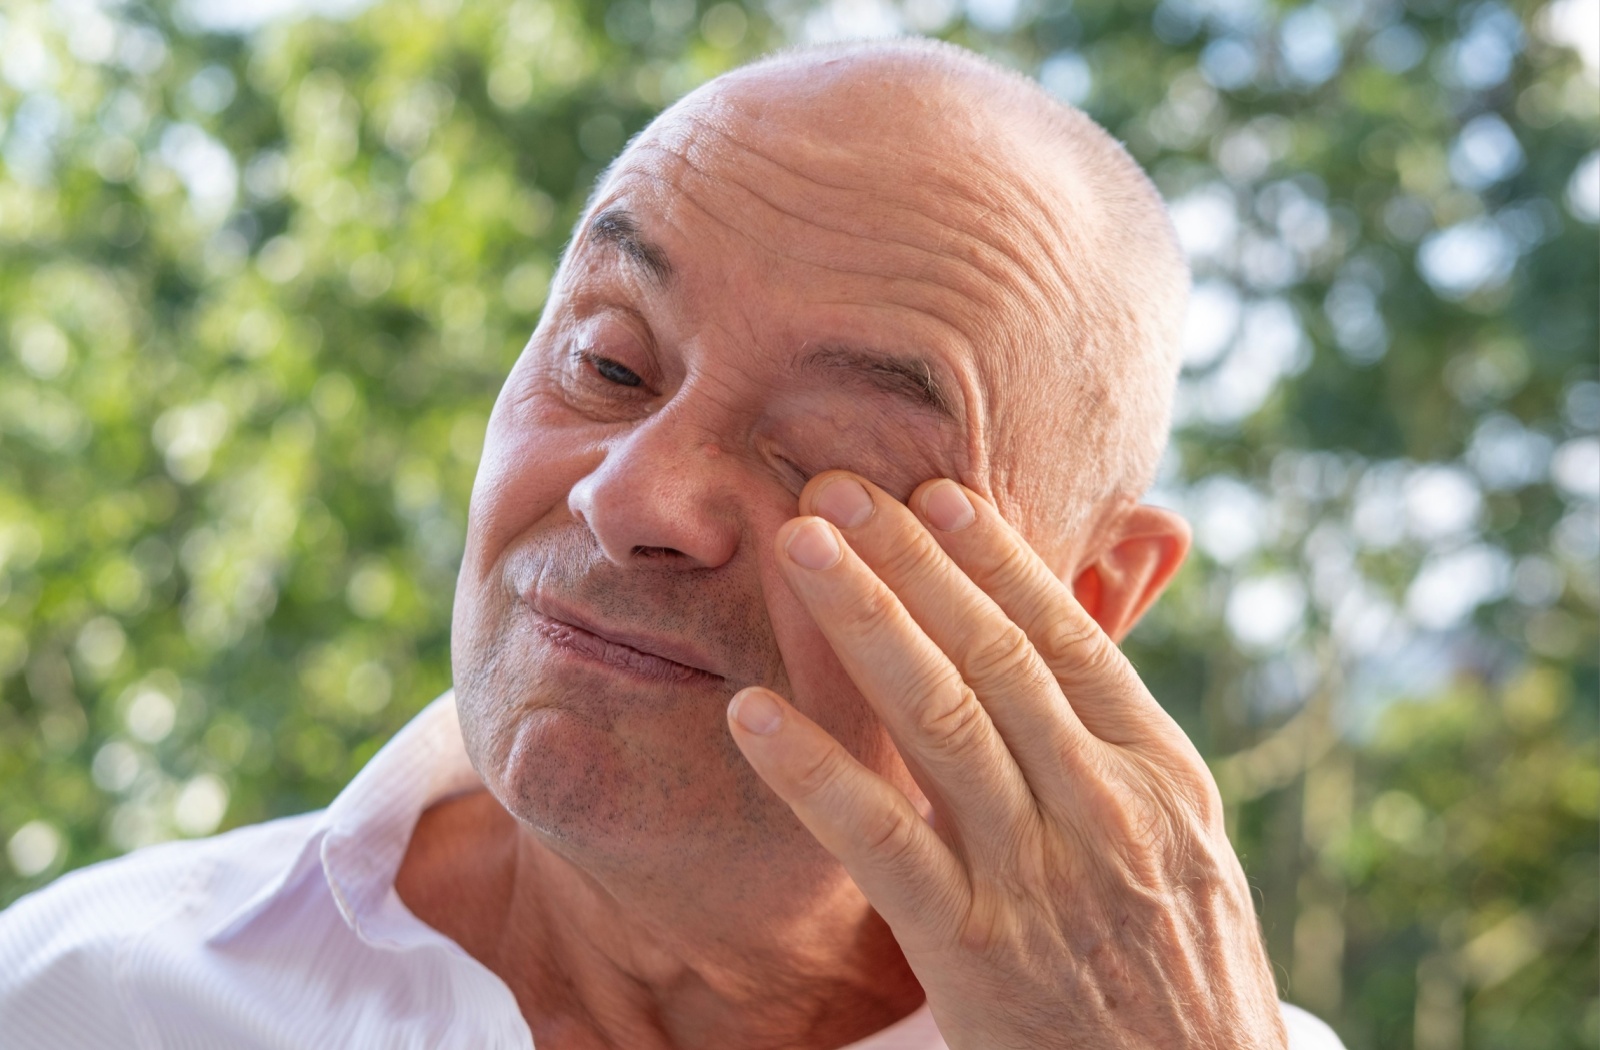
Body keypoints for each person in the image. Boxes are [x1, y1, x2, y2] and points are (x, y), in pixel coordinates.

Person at [0, 38, 1346, 1050]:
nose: (637, 498)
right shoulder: (88, 994)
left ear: (1089, 596)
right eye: (606, 363)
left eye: (840, 463)